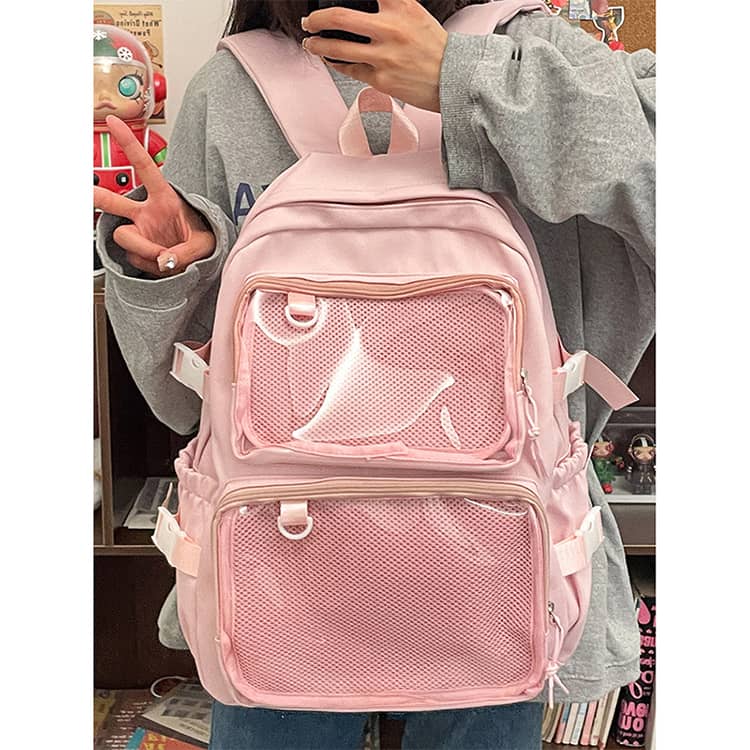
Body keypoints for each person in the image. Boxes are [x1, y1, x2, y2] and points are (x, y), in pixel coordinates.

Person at [94, 1, 655, 748]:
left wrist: (465, 78)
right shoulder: (232, 89)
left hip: (443, 564)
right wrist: (173, 275)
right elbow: (181, 401)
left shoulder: (528, 52)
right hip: (328, 569)